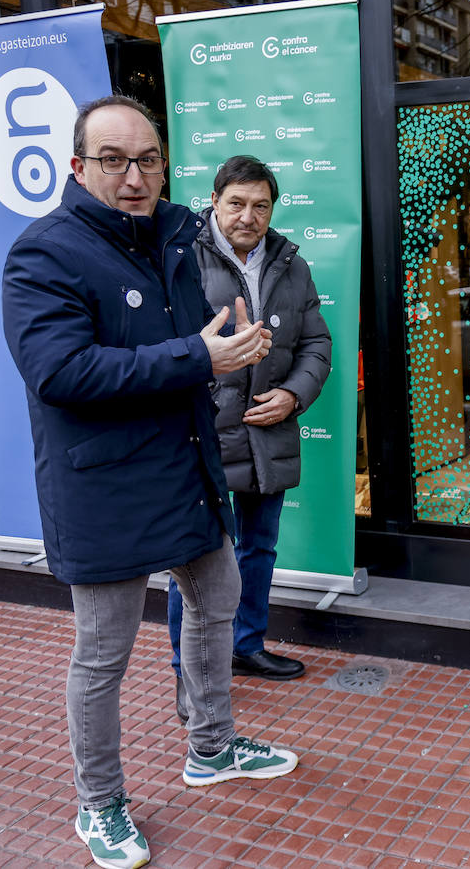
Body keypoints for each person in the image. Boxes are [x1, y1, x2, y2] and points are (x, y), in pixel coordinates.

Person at [2, 97, 300, 869]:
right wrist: (202, 358)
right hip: (102, 489)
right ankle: (98, 803)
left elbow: (189, 340)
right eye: (113, 160)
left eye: (148, 160)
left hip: (186, 469)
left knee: (216, 600)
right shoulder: (43, 254)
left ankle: (211, 746)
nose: (134, 176)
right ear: (78, 166)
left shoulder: (172, 235)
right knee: (103, 655)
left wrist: (232, 348)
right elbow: (60, 372)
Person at [167, 155, 331, 709]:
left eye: (260, 205)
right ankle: (187, 671)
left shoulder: (290, 262)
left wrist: (293, 395)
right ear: (214, 202)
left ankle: (246, 645)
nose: (248, 216)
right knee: (194, 559)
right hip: (203, 433)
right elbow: (166, 346)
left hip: (269, 429)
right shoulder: (181, 257)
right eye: (236, 203)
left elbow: (316, 344)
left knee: (259, 546)